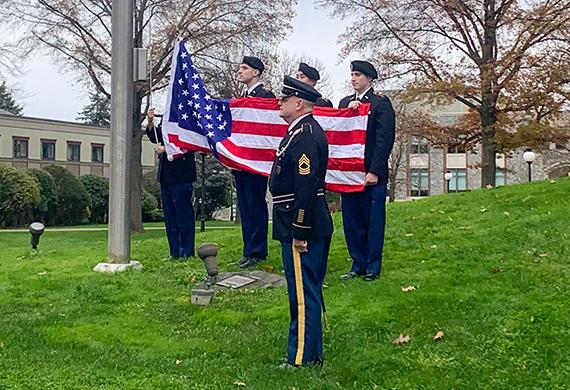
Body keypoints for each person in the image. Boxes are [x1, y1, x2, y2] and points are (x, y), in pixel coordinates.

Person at [270, 75, 333, 368]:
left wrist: (299, 229)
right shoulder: (298, 132)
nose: (279, 103)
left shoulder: (305, 135)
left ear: (298, 103)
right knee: (304, 291)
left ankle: (302, 358)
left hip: (302, 223)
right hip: (294, 219)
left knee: (302, 295)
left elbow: (306, 187)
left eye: (284, 99)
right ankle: (310, 353)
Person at [338, 60, 395, 282]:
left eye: (358, 75)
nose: (354, 78)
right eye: (352, 74)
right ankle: (357, 263)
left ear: (370, 79)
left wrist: (374, 171)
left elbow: (384, 140)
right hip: (348, 174)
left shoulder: (380, 104)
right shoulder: (344, 103)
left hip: (370, 174)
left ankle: (372, 267)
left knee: (372, 221)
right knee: (352, 221)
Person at [234, 56, 275, 268]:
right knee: (244, 206)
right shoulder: (242, 96)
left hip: (257, 162)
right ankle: (248, 249)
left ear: (256, 72)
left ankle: (258, 251)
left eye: (245, 68)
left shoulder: (266, 97)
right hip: (241, 161)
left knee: (255, 204)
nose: (240, 71)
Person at [145, 107, 197, 259]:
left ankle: (186, 252)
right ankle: (174, 252)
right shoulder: (167, 115)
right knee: (170, 218)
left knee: (184, 217)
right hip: (166, 175)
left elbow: (190, 143)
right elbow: (157, 137)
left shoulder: (187, 115)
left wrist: (167, 149)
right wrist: (150, 122)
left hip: (182, 175)